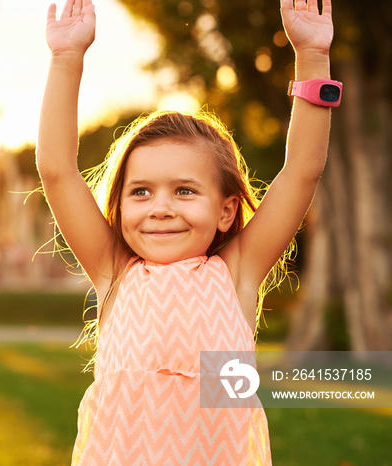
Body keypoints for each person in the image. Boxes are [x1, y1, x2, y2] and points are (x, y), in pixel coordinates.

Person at [37, 0, 337, 463]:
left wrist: (313, 55)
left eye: (183, 191)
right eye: (140, 192)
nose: (160, 208)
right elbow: (57, 170)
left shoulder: (237, 271)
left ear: (225, 210)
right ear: (117, 206)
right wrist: (65, 58)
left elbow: (301, 171)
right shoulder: (113, 271)